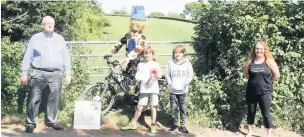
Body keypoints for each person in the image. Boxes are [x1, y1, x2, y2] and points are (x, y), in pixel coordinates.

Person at [20, 16, 72, 133]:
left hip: (55, 73)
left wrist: (68, 73)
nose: (49, 25)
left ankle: (52, 121)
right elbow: (28, 56)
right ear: (42, 25)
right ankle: (30, 123)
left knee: (54, 98)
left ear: (54, 25)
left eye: (51, 24)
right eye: (47, 23)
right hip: (39, 73)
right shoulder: (35, 38)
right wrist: (24, 73)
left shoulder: (60, 39)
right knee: (34, 98)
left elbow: (66, 57)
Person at [121, 46, 162, 134]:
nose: (147, 55)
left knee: (153, 107)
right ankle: (133, 123)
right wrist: (138, 79)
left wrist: (156, 76)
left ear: (152, 54)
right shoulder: (140, 65)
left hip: (154, 89)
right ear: (143, 55)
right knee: (139, 107)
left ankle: (153, 125)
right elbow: (137, 76)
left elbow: (160, 75)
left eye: (149, 53)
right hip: (144, 89)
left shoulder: (156, 64)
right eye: (145, 53)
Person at [243, 40, 280, 137]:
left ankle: (269, 134)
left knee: (266, 114)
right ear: (254, 50)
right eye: (257, 49)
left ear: (264, 50)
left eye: (261, 49)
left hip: (265, 92)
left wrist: (269, 82)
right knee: (251, 112)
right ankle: (250, 132)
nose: (259, 50)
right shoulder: (250, 62)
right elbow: (246, 75)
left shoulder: (269, 61)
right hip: (251, 92)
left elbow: (276, 75)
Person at [164, 45, 194, 134]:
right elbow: (167, 73)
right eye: (176, 52)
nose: (178, 54)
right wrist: (170, 83)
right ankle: (174, 124)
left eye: (180, 52)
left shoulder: (187, 63)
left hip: (183, 91)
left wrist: (185, 83)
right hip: (173, 90)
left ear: (183, 53)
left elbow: (190, 74)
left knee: (183, 108)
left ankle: (183, 125)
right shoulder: (170, 63)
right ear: (174, 54)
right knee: (173, 108)